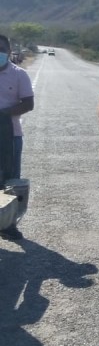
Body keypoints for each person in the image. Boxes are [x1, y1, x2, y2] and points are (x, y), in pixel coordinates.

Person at [0, 34, 34, 241]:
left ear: (8, 51)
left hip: (10, 135)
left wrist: (4, 113)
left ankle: (8, 224)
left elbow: (28, 103)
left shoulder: (19, 75)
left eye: (2, 49)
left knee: (10, 179)